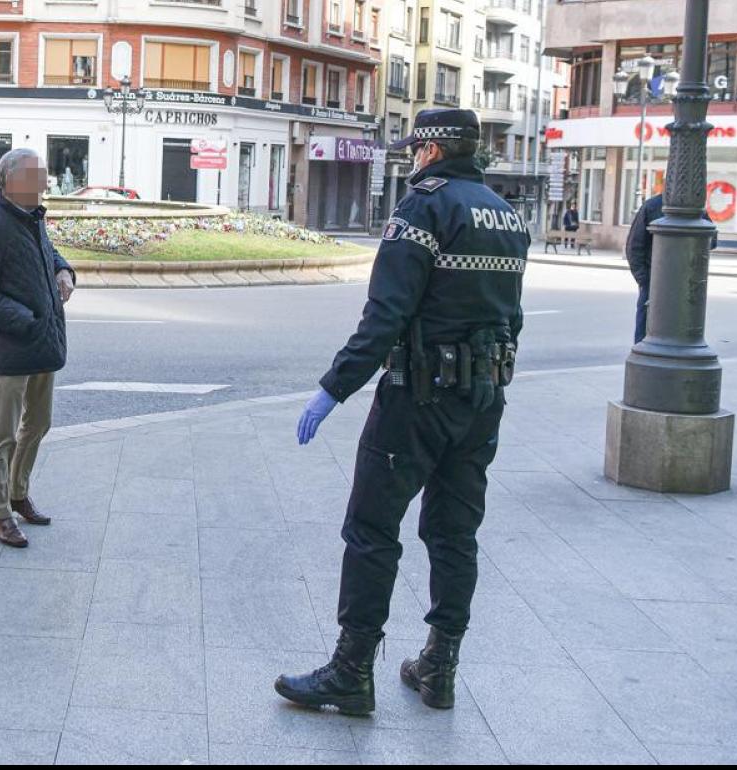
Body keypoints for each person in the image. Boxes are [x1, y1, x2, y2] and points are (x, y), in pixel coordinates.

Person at [275, 108, 528, 716]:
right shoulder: (507, 216)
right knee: (454, 532)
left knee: (371, 529)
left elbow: (384, 317)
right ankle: (439, 668)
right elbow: (511, 319)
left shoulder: (423, 209)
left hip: (415, 399)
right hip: (482, 400)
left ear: (433, 152)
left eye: (417, 149)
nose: (413, 158)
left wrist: (333, 388)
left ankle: (351, 669)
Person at [0, 148, 76, 548]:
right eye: (35, 176)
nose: (44, 183)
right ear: (10, 182)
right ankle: (0, 514)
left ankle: (18, 491)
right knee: (3, 436)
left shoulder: (32, 217)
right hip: (12, 346)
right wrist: (23, 318)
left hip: (44, 341)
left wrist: (64, 270)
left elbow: (47, 253)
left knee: (39, 423)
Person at [625, 193, 716, 344]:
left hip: (671, 282)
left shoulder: (695, 209)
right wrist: (645, 280)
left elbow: (712, 240)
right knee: (650, 327)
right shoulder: (654, 206)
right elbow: (634, 247)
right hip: (670, 281)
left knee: (650, 330)